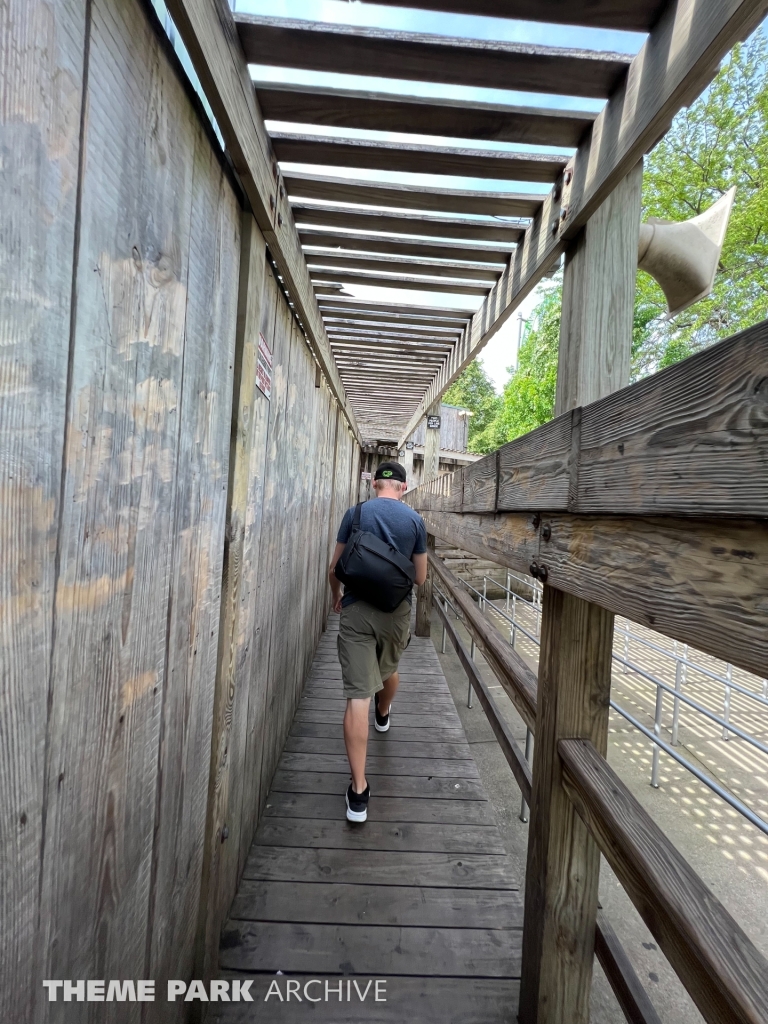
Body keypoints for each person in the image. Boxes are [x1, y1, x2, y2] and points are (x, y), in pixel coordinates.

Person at [328, 461, 428, 823]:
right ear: (404, 486)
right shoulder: (415, 521)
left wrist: (337, 597)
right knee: (389, 670)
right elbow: (420, 578)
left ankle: (358, 793)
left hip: (356, 610)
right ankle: (383, 713)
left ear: (374, 484)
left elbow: (334, 569)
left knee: (358, 696)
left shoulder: (354, 514)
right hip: (395, 612)